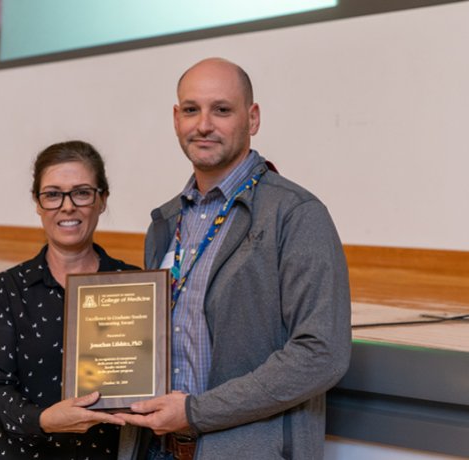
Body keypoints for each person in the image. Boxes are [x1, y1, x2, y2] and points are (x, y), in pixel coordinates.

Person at [116, 58, 352, 459]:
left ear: (253, 117)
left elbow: (321, 355)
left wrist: (195, 413)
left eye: (221, 110)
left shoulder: (296, 214)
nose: (203, 124)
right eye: (191, 110)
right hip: (159, 450)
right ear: (176, 119)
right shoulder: (165, 223)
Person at [0, 140, 146, 459]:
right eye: (53, 194)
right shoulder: (6, 290)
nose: (67, 206)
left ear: (102, 199)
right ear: (38, 204)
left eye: (81, 192)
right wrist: (45, 420)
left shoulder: (133, 285)